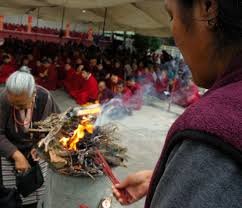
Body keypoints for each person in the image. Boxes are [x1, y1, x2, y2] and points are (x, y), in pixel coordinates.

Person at [113, 0, 242, 207]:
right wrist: (165, 178)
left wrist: (190, 171)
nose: (173, 33)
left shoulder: (211, 134)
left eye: (172, 16)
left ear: (208, 7)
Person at [0, 66, 60, 208]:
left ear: (33, 95)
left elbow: (57, 128)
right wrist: (16, 156)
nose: (15, 107)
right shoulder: (4, 98)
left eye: (20, 104)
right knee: (10, 195)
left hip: (37, 152)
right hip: (10, 148)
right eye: (12, 103)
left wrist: (41, 145)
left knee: (34, 192)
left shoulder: (45, 97)